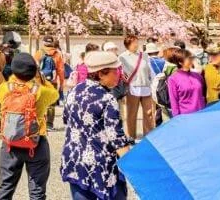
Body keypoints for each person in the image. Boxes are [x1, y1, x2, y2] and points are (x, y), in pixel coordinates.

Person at [61, 51, 134, 200]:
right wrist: (133, 165)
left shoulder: (74, 91)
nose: (119, 75)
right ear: (101, 74)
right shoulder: (107, 98)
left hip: (74, 159)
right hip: (100, 164)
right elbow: (116, 138)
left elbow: (66, 119)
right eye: (115, 71)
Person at [0, 53, 59, 200]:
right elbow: (55, 95)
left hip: (10, 142)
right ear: (34, 71)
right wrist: (42, 81)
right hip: (36, 142)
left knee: (6, 186)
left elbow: (2, 96)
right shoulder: (42, 91)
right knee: (37, 191)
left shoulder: (4, 88)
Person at [118, 35, 154, 139]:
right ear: (128, 44)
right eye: (134, 42)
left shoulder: (144, 55)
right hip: (132, 87)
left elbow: (150, 71)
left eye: (137, 42)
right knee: (132, 113)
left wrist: (152, 82)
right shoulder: (122, 57)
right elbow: (122, 73)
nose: (136, 44)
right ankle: (131, 136)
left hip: (146, 86)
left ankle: (148, 136)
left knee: (149, 113)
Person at [33, 36, 65, 130]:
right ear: (52, 43)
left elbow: (34, 68)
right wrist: (61, 83)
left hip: (40, 82)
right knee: (51, 103)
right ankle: (49, 124)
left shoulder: (39, 53)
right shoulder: (57, 54)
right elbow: (61, 70)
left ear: (43, 43)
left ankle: (39, 122)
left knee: (40, 102)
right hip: (52, 82)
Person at [167, 49, 205, 117]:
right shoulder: (173, 79)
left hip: (201, 113)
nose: (191, 61)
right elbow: (174, 102)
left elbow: (203, 94)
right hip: (185, 117)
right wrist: (177, 118)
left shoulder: (198, 76)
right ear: (180, 62)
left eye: (192, 58)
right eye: (189, 59)